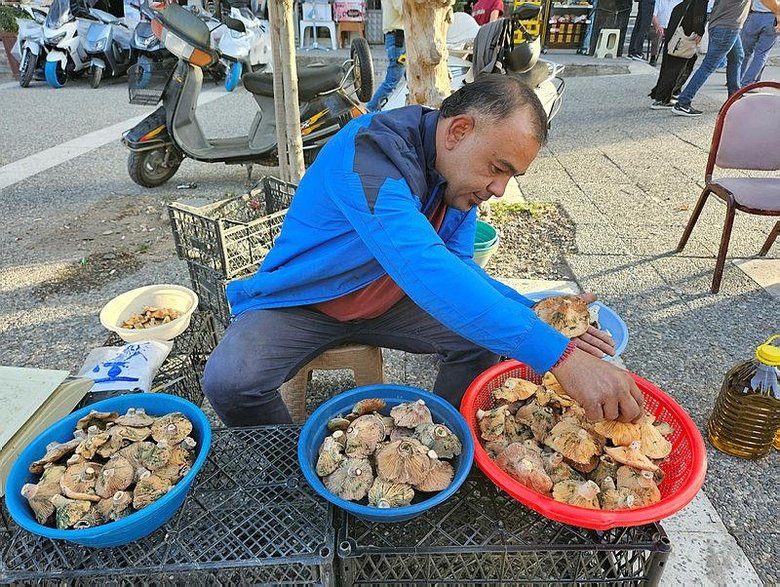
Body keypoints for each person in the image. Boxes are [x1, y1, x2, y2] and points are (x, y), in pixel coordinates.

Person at [202, 75, 646, 428]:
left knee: (483, 340)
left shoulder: (455, 178)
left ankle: (442, 435)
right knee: (229, 383)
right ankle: (286, 471)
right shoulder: (367, 157)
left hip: (391, 301)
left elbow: (458, 266)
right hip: (304, 303)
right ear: (458, 131)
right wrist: (561, 357)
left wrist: (539, 313)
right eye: (498, 169)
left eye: (510, 177)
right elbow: (427, 267)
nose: (499, 189)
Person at [672, 0, 751, 115]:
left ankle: (734, 96)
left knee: (737, 57)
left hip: (722, 25)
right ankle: (683, 102)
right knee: (709, 65)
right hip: (728, 27)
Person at [649, 0, 708, 108]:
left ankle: (665, 94)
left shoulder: (683, 4)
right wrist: (699, 31)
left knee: (673, 64)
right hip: (685, 33)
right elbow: (699, 13)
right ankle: (664, 97)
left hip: (677, 31)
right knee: (678, 66)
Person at [365, 0, 405, 112]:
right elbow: (405, 9)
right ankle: (369, 110)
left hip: (399, 38)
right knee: (392, 80)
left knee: (410, 79)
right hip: (398, 38)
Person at [739, 0, 780, 86]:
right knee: (761, 54)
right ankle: (748, 83)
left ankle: (736, 80)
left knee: (744, 52)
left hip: (754, 16)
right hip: (773, 18)